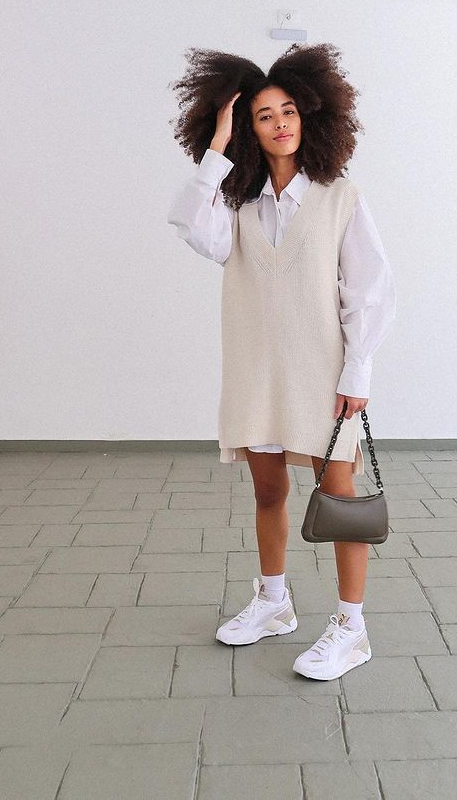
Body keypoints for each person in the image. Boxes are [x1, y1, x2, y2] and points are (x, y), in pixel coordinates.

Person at [166, 42, 396, 680]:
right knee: (268, 489)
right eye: (263, 115)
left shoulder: (339, 194)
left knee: (339, 494)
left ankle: (352, 628)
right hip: (254, 368)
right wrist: (216, 149)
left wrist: (359, 373)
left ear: (311, 115)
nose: (280, 123)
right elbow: (190, 226)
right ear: (248, 127)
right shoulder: (234, 202)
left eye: (288, 110)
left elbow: (371, 291)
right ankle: (274, 603)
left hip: (324, 372)